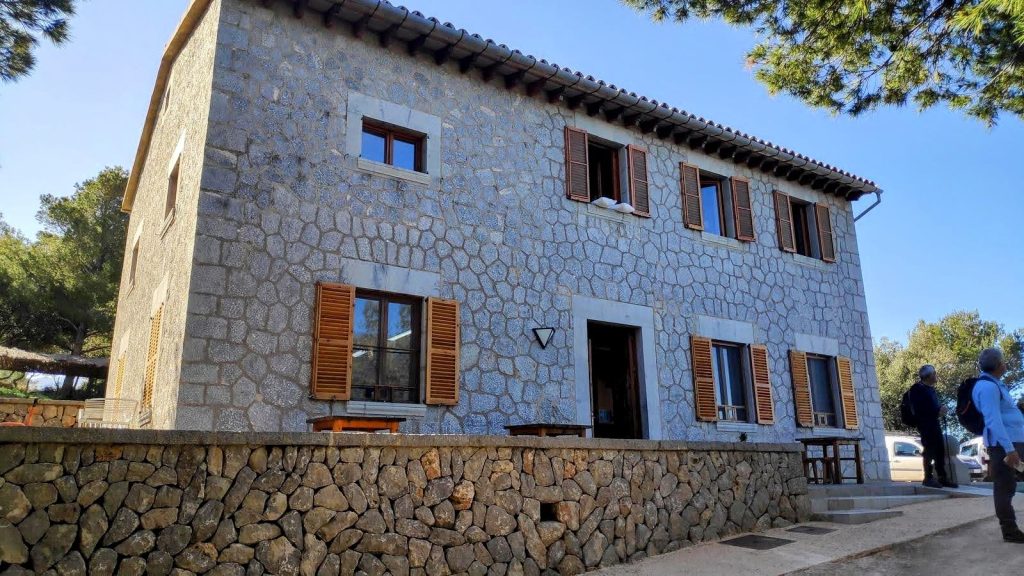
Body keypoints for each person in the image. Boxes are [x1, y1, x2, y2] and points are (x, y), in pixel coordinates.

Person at [973, 347, 1024, 543]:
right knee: (1004, 487)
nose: (1005, 364)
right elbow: (993, 420)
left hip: (1013, 443)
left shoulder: (996, 384)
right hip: (1004, 446)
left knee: (1008, 485)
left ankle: (1010, 529)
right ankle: (1010, 531)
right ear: (997, 365)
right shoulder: (987, 387)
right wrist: (1010, 449)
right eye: (1003, 361)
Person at [907, 364, 957, 488]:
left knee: (939, 449)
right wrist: (938, 411)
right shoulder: (917, 389)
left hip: (934, 422)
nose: (936, 376)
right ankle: (928, 477)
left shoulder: (930, 389)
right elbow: (921, 409)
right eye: (934, 374)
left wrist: (940, 410)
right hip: (925, 424)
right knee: (929, 449)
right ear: (928, 376)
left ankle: (942, 477)